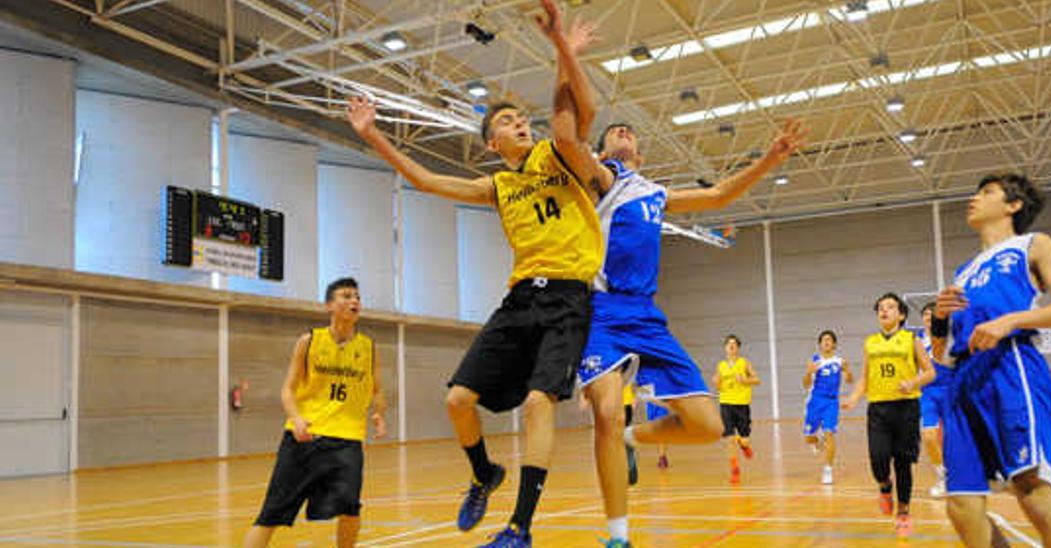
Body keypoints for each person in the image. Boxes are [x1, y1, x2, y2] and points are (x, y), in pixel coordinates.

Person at [346, 2, 604, 542]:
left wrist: (560, 46)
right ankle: (485, 474)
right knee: (457, 400)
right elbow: (427, 181)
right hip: (518, 302)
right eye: (509, 122)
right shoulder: (498, 185)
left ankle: (519, 527)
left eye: (521, 119)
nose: (520, 124)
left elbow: (578, 108)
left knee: (539, 403)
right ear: (493, 143)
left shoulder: (557, 157)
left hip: (567, 300)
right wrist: (374, 137)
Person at [546, 15, 805, 539]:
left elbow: (718, 197)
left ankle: (634, 440)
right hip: (602, 311)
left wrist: (769, 158)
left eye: (630, 132)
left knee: (708, 426)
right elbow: (567, 133)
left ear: (641, 153)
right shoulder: (600, 181)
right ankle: (618, 533)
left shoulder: (655, 193)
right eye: (614, 129)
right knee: (603, 414)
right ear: (605, 152)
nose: (621, 131)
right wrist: (562, 50)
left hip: (647, 315)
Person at [931, 173, 1051, 547]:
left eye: (986, 193)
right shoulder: (963, 272)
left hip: (1011, 366)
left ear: (1013, 205)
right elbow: (939, 350)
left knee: (1030, 486)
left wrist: (1010, 321)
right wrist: (939, 317)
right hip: (963, 379)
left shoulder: (1033, 245)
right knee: (962, 504)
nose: (974, 198)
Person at [243, 278, 387, 548]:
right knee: (271, 514)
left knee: (350, 508)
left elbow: (377, 389)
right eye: (346, 296)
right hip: (305, 438)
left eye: (357, 296)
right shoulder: (309, 341)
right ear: (329, 305)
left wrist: (378, 413)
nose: (354, 300)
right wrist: (296, 418)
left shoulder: (368, 348)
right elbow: (287, 389)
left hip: (347, 439)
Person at [843, 293, 935, 537]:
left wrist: (913, 381)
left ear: (901, 315)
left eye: (890, 307)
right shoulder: (870, 342)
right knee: (878, 458)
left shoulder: (910, 339)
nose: (884, 311)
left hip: (906, 408)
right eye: (880, 308)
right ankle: (885, 485)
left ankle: (903, 512)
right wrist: (854, 397)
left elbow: (930, 373)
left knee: (903, 463)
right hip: (879, 409)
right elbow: (865, 376)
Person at [802, 330, 853, 485]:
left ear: (834, 344)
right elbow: (806, 384)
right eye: (824, 340)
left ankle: (828, 470)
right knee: (808, 437)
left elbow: (850, 380)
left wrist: (847, 370)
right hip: (815, 401)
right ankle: (817, 441)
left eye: (829, 340)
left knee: (830, 433)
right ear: (820, 344)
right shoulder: (814, 361)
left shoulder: (839, 361)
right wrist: (808, 372)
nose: (826, 342)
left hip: (831, 402)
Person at [917, 302, 954, 497]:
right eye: (926, 314)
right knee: (929, 436)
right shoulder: (916, 341)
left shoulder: (950, 339)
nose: (928, 317)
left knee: (954, 437)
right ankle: (942, 477)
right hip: (927, 392)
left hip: (950, 390)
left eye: (932, 315)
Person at [716, 335, 761, 484]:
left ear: (738, 348)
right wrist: (716, 382)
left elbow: (757, 380)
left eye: (734, 344)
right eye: (729, 344)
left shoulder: (744, 363)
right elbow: (717, 384)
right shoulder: (721, 365)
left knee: (745, 440)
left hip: (742, 405)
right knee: (729, 438)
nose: (731, 346)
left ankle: (744, 445)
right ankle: (734, 469)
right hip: (725, 403)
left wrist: (745, 380)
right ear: (725, 348)